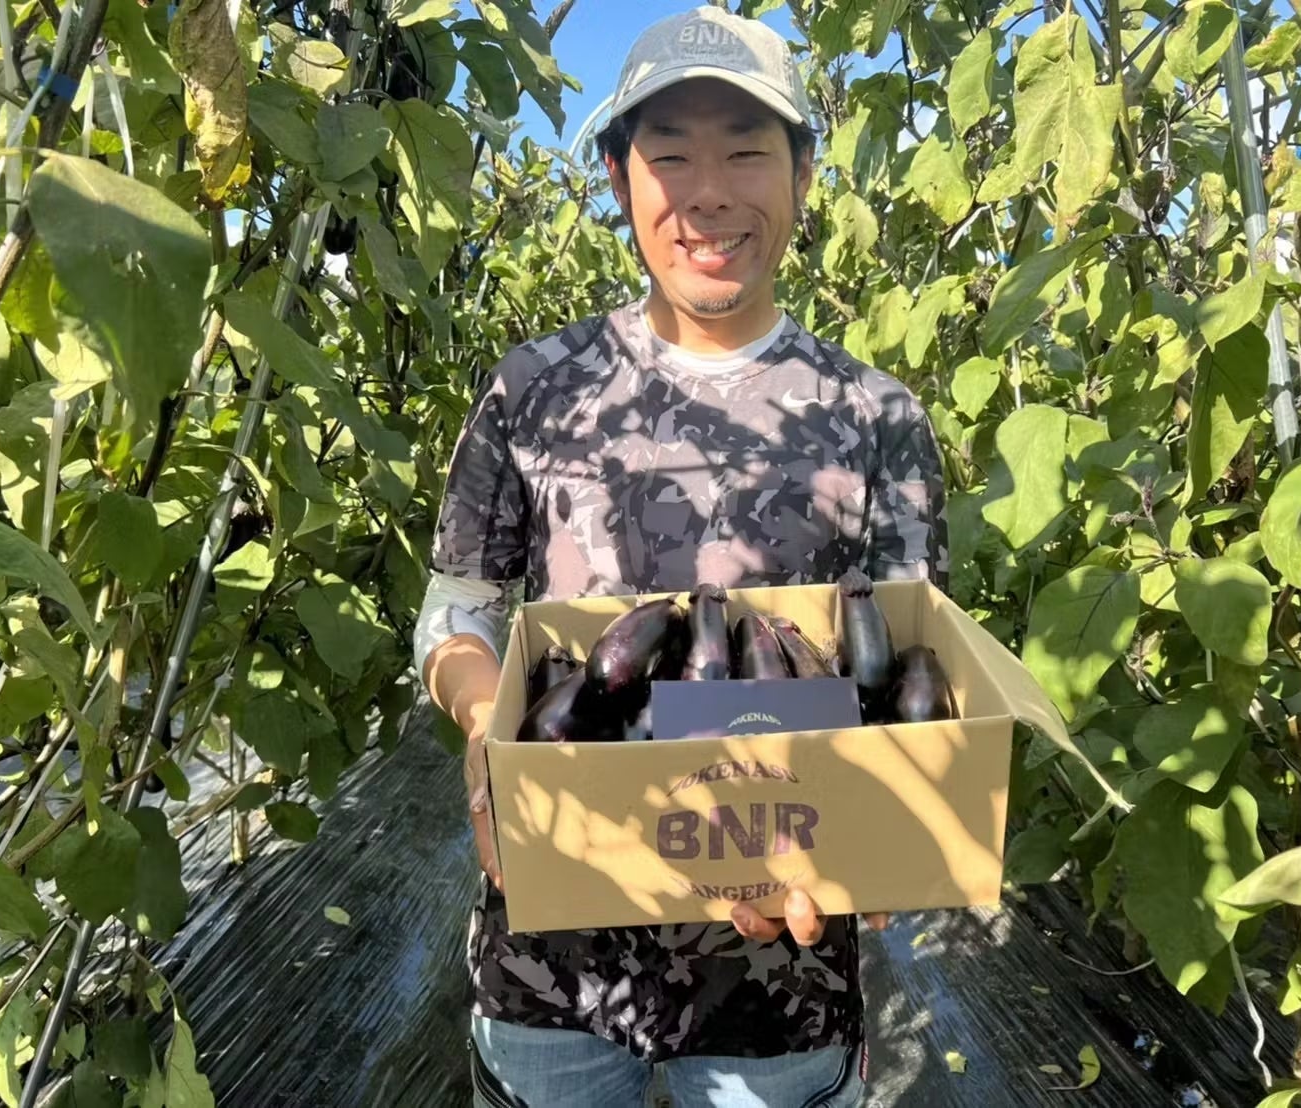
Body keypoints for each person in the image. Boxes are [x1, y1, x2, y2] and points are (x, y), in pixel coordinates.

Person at [414, 6, 948, 1106]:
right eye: (669, 155)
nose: (707, 194)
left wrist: (891, 825)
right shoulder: (536, 390)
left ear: (802, 176)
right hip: (553, 953)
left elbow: (901, 660)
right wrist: (480, 721)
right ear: (620, 178)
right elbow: (457, 606)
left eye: (746, 152)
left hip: (781, 968)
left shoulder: (873, 416)